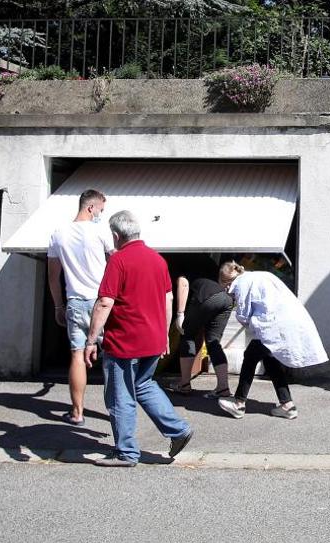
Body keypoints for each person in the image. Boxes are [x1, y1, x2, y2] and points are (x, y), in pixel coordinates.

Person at [83, 211, 194, 466]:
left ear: (115, 235)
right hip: (153, 340)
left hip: (125, 341)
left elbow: (104, 303)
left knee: (120, 395)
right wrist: (166, 335)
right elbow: (168, 299)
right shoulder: (157, 260)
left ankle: (126, 452)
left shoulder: (118, 260)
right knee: (143, 385)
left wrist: (91, 340)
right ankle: (179, 430)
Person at [214, 262, 328, 420]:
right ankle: (287, 405)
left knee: (250, 356)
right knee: (270, 359)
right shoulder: (260, 275)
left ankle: (239, 403)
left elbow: (243, 315)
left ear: (226, 283)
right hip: (286, 321)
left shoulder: (240, 285)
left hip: (272, 325)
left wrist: (247, 321)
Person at [46, 189, 113, 425]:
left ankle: (77, 412)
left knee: (76, 355)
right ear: (91, 207)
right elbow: (117, 260)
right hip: (101, 302)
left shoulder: (58, 234)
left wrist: (58, 306)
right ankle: (115, 411)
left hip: (74, 301)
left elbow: (53, 276)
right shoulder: (100, 231)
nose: (101, 215)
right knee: (112, 357)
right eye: (101, 210)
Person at [170, 268, 234, 396]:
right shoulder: (209, 267)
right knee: (213, 342)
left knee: (187, 335)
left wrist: (180, 313)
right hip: (226, 299)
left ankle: (184, 384)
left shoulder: (182, 267)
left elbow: (183, 283)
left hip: (207, 296)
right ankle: (223, 388)